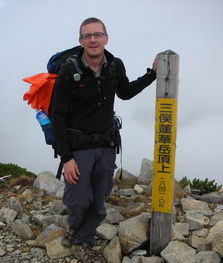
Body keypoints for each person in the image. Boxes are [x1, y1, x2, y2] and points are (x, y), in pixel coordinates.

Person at [50, 17, 157, 263]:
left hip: (107, 145)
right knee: (78, 201)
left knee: (99, 202)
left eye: (97, 34)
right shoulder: (69, 70)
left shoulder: (114, 65)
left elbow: (126, 92)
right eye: (87, 36)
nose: (93, 40)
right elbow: (58, 116)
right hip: (79, 148)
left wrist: (152, 74)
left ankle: (83, 241)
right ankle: (73, 226)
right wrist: (66, 158)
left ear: (106, 38)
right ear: (80, 41)